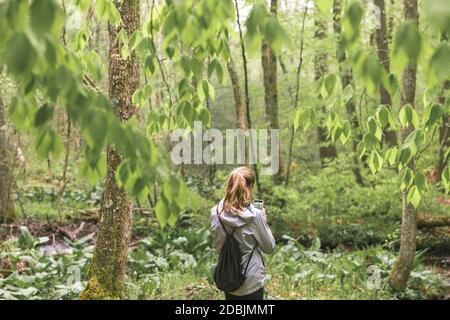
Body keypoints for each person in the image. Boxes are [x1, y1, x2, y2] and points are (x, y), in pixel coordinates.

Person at [210, 166, 276, 300]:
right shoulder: (254, 217)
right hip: (251, 281)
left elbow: (218, 246)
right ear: (250, 187)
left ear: (229, 186)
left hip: (228, 277)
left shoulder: (215, 213)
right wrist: (263, 221)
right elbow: (269, 247)